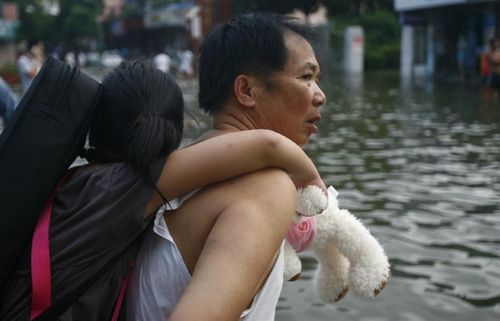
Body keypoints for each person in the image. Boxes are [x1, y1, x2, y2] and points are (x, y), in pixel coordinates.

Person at [0, 60, 324, 320]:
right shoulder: (118, 188)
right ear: (173, 133)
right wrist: (312, 180)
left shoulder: (79, 184)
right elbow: (266, 146)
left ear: (98, 126)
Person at [127, 12, 326, 321]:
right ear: (246, 91)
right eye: (306, 77)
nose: (319, 95)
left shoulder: (182, 171)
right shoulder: (265, 188)